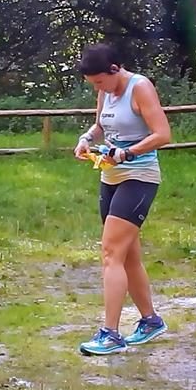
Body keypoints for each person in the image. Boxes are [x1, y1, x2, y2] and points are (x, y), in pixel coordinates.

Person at [72, 44, 172, 356]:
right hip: (110, 177)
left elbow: (162, 134)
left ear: (115, 69)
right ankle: (151, 320)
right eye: (93, 84)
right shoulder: (106, 91)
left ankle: (111, 334)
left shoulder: (140, 88)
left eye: (100, 81)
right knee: (127, 256)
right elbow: (100, 126)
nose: (97, 88)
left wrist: (127, 153)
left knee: (110, 253)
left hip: (139, 177)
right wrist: (86, 139)